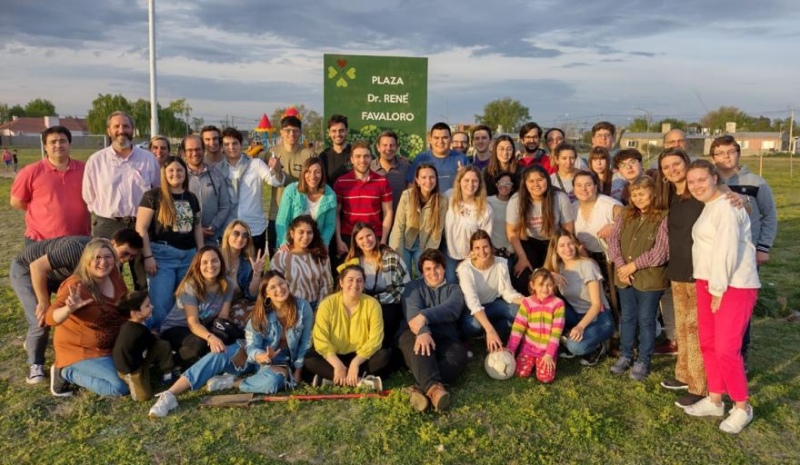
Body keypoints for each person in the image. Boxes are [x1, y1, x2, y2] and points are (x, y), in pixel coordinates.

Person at [682, 159, 760, 434]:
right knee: (709, 343)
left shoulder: (727, 205)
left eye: (701, 179)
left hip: (733, 284)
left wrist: (718, 289)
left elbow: (726, 250)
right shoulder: (710, 206)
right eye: (692, 182)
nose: (697, 186)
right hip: (709, 281)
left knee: (727, 348)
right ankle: (715, 398)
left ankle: (742, 406)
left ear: (715, 178)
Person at [10, 229, 142, 385]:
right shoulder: (77, 249)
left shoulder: (109, 261)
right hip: (29, 269)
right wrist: (44, 301)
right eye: (125, 253)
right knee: (40, 319)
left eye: (132, 257)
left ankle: (64, 346)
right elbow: (37, 267)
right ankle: (36, 364)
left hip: (62, 274)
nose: (126, 260)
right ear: (113, 243)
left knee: (70, 308)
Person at [711, 135, 777, 361]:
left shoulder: (756, 182)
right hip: (716, 253)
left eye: (730, 151)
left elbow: (769, 216)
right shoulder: (709, 181)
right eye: (720, 153)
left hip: (746, 254)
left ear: (738, 153)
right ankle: (720, 351)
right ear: (713, 157)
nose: (726, 157)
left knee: (739, 308)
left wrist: (763, 247)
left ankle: (740, 353)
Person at [82, 111, 160, 291]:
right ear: (109, 130)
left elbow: (156, 190)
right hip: (108, 224)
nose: (121, 130)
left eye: (125, 126)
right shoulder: (96, 161)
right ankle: (110, 315)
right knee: (105, 274)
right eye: (116, 126)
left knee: (143, 276)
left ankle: (141, 314)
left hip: (140, 225)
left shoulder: (148, 159)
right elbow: (89, 195)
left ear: (132, 130)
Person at [655, 147, 709, 406]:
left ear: (686, 163)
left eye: (676, 164)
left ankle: (700, 386)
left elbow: (725, 199)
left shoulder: (700, 195)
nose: (671, 170)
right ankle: (684, 374)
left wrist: (738, 198)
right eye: (666, 167)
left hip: (700, 271)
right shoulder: (672, 197)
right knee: (683, 328)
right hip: (678, 270)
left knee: (696, 329)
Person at [45, 239, 130, 397]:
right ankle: (64, 372)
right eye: (97, 257)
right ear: (87, 261)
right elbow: (50, 318)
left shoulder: (115, 276)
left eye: (108, 257)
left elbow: (125, 306)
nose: (103, 262)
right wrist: (68, 309)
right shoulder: (75, 285)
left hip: (112, 343)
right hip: (82, 350)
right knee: (120, 387)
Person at [607, 176, 669, 381]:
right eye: (634, 194)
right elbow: (614, 240)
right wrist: (622, 265)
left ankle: (644, 358)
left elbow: (661, 251)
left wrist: (634, 265)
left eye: (642, 194)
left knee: (646, 319)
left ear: (653, 194)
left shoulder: (663, 217)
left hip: (649, 278)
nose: (638, 198)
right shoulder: (625, 214)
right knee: (627, 317)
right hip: (625, 276)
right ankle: (626, 354)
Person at [135, 156, 203, 329]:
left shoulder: (191, 197)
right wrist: (148, 256)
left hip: (189, 256)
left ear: (185, 173)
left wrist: (200, 254)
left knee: (184, 301)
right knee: (161, 302)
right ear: (164, 174)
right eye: (170, 170)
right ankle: (158, 336)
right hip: (162, 257)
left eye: (179, 170)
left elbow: (197, 228)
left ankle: (178, 335)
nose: (175, 174)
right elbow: (141, 228)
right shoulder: (153, 196)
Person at [398, 249, 467, 412]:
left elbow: (452, 308)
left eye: (437, 267)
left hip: (445, 337)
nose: (433, 272)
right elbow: (412, 312)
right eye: (428, 269)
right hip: (413, 334)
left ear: (444, 268)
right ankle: (435, 391)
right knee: (421, 347)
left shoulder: (454, 289)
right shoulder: (412, 287)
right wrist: (422, 329)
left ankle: (419, 388)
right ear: (422, 272)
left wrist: (424, 316)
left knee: (459, 357)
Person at [303, 264, 390, 386]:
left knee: (384, 356)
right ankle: (360, 382)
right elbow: (320, 338)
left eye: (359, 281)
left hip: (360, 357)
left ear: (364, 284)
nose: (355, 284)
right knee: (309, 359)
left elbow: (375, 339)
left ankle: (331, 380)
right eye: (350, 280)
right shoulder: (327, 304)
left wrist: (355, 363)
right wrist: (338, 365)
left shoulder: (373, 304)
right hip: (333, 357)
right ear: (341, 282)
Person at [543, 231, 614, 366]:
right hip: (575, 314)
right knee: (545, 309)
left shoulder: (588, 265)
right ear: (555, 250)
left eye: (570, 244)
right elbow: (535, 283)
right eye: (562, 246)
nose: (567, 249)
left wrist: (580, 327)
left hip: (599, 317)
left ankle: (597, 347)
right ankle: (566, 338)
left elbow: (596, 305)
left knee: (575, 346)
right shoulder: (559, 268)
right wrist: (549, 274)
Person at [11, 126, 90, 243]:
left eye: (63, 141)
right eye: (53, 142)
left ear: (69, 144)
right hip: (41, 240)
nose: (58, 145)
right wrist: (43, 211)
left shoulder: (86, 169)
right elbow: (16, 201)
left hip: (80, 239)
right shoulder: (30, 172)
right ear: (45, 146)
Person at [238, 271, 314, 393]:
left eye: (281, 283)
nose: (279, 289)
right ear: (266, 294)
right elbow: (251, 346)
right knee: (273, 383)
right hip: (265, 362)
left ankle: (265, 378)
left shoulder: (303, 307)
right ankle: (233, 382)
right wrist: (261, 356)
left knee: (277, 381)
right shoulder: (260, 314)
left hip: (290, 360)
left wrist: (298, 371)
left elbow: (306, 342)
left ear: (287, 283)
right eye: (272, 287)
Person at [159, 246, 235, 368]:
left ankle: (204, 359)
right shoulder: (190, 286)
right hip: (178, 327)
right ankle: (172, 359)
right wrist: (211, 337)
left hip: (203, 325)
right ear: (197, 266)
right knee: (200, 344)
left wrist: (219, 334)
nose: (210, 265)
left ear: (221, 262)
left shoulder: (227, 283)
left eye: (215, 260)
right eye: (204, 262)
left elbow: (223, 317)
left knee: (226, 336)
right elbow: (193, 323)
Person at [506, 164, 575, 294]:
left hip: (554, 242)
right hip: (529, 242)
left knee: (555, 280)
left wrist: (561, 253)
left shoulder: (559, 197)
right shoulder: (516, 200)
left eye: (540, 180)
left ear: (547, 181)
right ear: (525, 183)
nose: (536, 184)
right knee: (522, 279)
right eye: (531, 181)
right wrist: (522, 257)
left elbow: (567, 228)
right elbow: (511, 231)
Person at [220, 127, 284, 255]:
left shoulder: (255, 164)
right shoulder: (218, 168)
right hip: (229, 229)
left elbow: (277, 182)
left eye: (235, 143)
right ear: (222, 147)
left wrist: (277, 169)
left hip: (254, 229)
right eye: (226, 144)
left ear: (241, 144)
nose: (231, 147)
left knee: (256, 269)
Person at [345, 222, 409, 348]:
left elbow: (404, 287)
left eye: (369, 235)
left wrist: (377, 300)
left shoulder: (391, 257)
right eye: (361, 238)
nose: (366, 240)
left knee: (386, 315)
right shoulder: (354, 261)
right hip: (363, 301)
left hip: (389, 300)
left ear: (375, 236)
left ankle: (386, 346)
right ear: (356, 242)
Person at [457, 230, 523, 351]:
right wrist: (489, 329)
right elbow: (473, 303)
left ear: (491, 247)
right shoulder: (465, 269)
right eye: (477, 248)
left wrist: (529, 301)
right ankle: (488, 332)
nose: (482, 252)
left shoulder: (501, 264)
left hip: (492, 305)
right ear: (472, 250)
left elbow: (508, 293)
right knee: (474, 326)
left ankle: (493, 337)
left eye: (485, 247)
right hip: (473, 311)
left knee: (516, 311)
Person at [334, 140, 393, 256]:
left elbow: (388, 212)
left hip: (374, 236)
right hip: (348, 238)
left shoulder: (382, 182)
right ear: (351, 159)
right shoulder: (341, 182)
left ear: (371, 158)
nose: (362, 160)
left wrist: (383, 239)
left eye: (366, 156)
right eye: (358, 156)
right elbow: (336, 214)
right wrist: (338, 240)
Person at [112, 291, 175, 401]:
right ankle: (129, 380)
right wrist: (151, 335)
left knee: (162, 345)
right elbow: (150, 341)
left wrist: (150, 334)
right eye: (147, 306)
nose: (152, 306)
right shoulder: (139, 332)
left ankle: (167, 372)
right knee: (143, 397)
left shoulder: (130, 326)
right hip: (131, 370)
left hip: (139, 358)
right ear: (136, 314)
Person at [506, 268, 565, 383]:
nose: (545, 289)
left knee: (545, 378)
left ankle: (542, 361)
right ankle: (531, 360)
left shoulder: (558, 304)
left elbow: (556, 333)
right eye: (541, 285)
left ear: (553, 286)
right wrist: (511, 349)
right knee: (520, 373)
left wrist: (549, 354)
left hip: (546, 350)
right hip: (529, 347)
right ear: (533, 285)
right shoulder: (527, 302)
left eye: (549, 285)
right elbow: (518, 327)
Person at [267, 116, 315, 252]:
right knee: (278, 258)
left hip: (301, 214)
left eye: (295, 131)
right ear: (281, 132)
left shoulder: (308, 154)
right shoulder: (271, 153)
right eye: (287, 130)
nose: (291, 134)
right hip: (276, 214)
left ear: (300, 132)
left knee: (300, 258)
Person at [389, 163, 447, 274]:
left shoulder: (442, 201)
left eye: (432, 177)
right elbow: (399, 225)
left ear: (436, 179)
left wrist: (428, 256)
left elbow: (437, 232)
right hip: (403, 241)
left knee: (426, 274)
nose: (428, 181)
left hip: (424, 245)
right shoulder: (407, 195)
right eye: (424, 177)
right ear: (417, 180)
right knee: (403, 275)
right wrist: (397, 252)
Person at [270, 215, 333, 309]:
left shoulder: (321, 255)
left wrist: (319, 310)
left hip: (314, 305)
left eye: (309, 232)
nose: (305, 237)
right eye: (301, 232)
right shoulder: (281, 256)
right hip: (288, 305)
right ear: (292, 233)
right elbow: (272, 285)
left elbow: (326, 285)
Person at [444, 165, 492, 284]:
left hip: (472, 255)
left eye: (475, 181)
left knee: (467, 283)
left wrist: (468, 260)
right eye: (466, 180)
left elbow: (485, 239)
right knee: (450, 280)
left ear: (479, 184)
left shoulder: (485, 209)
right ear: (459, 181)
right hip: (448, 251)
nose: (470, 184)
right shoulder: (449, 196)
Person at [275, 156, 337, 248]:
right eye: (308, 172)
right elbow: (282, 221)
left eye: (317, 172)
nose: (313, 176)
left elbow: (329, 225)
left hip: (316, 245)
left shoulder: (330, 195)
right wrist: (284, 242)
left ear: (322, 174)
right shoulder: (291, 191)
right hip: (291, 244)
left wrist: (323, 243)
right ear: (303, 173)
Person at [182, 134, 232, 246]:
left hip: (212, 238)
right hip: (186, 240)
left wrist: (213, 226)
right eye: (190, 150)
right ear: (184, 153)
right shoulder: (179, 176)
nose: (194, 153)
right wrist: (196, 230)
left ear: (204, 150)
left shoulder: (216, 175)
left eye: (198, 149)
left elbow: (224, 206)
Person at [220, 220, 264, 330]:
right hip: (216, 304)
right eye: (236, 233)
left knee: (262, 313)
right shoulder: (216, 257)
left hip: (238, 303)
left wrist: (257, 275)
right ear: (227, 235)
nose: (240, 238)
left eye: (245, 236)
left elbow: (251, 295)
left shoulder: (248, 262)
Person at [407, 122, 470, 193]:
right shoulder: (421, 159)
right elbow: (411, 186)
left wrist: (466, 176)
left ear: (451, 139)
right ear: (430, 139)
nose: (440, 141)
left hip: (452, 203)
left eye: (445, 138)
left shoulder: (461, 159)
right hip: (428, 203)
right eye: (436, 138)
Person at [370, 129, 410, 211]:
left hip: (399, 220)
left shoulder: (406, 168)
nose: (388, 148)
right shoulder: (369, 167)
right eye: (384, 145)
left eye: (392, 145)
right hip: (374, 220)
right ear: (378, 147)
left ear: (397, 147)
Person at [486, 171, 516, 259]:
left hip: (508, 252)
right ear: (496, 184)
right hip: (490, 251)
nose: (504, 186)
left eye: (508, 183)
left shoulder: (515, 204)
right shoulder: (487, 201)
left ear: (512, 187)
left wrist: (510, 249)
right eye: (502, 182)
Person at [319, 114, 352, 186]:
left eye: (341, 130)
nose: (338, 134)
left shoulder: (356, 153)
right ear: (329, 133)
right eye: (334, 131)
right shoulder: (324, 156)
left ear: (347, 131)